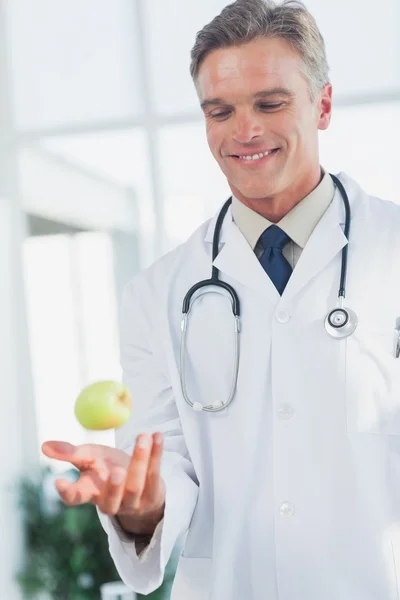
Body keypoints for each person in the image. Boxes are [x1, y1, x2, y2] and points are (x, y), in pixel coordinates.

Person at [41, 0, 400, 598]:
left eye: (270, 103)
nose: (244, 130)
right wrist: (141, 503)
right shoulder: (156, 292)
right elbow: (162, 465)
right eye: (220, 110)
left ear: (324, 105)